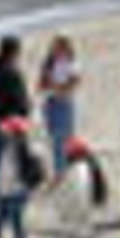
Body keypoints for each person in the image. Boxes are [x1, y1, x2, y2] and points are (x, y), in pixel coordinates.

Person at [49, 137, 105, 238]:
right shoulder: (87, 168)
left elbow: (72, 194)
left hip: (75, 214)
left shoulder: (76, 172)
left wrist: (61, 204)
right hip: (85, 213)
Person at [0, 37, 31, 196]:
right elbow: (18, 97)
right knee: (14, 151)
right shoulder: (10, 71)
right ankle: (13, 183)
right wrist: (24, 112)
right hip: (10, 117)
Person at [37, 36, 81, 174]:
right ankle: (60, 170)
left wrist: (53, 85)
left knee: (65, 138)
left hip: (64, 103)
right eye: (54, 48)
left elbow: (71, 86)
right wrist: (48, 83)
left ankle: (64, 169)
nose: (55, 51)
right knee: (55, 139)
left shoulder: (71, 64)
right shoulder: (49, 63)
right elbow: (41, 85)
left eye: (57, 48)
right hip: (50, 102)